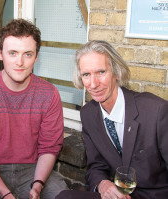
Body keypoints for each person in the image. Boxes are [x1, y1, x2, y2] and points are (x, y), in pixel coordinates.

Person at [0, 19, 67, 199]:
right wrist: (5, 193)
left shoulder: (49, 94)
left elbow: (49, 147)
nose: (20, 62)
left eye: (27, 54)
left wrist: (38, 185)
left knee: (63, 195)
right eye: (13, 53)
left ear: (36, 56)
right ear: (0, 54)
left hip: (33, 170)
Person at [57, 40, 168, 199]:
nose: (93, 84)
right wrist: (103, 184)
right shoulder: (88, 114)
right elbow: (95, 166)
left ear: (116, 72)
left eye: (101, 72)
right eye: (86, 75)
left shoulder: (156, 111)